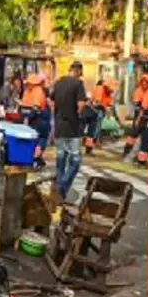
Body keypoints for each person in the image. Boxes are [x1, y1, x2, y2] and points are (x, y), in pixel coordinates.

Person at [51, 61, 90, 201]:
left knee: (61, 159)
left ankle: (59, 193)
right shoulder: (78, 84)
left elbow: (52, 102)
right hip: (72, 128)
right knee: (75, 161)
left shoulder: (59, 82)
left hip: (59, 127)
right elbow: (80, 106)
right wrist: (83, 108)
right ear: (78, 71)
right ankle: (62, 186)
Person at [20, 73, 52, 168]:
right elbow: (36, 107)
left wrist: (26, 118)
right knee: (40, 139)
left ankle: (37, 159)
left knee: (35, 139)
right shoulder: (38, 91)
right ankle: (37, 159)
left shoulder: (28, 91)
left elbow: (26, 106)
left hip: (34, 118)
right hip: (40, 118)